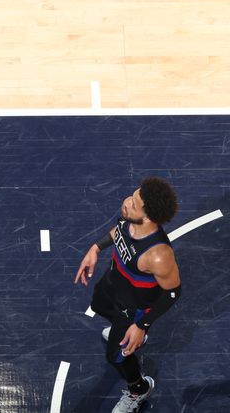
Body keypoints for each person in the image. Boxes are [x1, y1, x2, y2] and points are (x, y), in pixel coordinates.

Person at [74, 177, 181, 413]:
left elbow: (173, 292)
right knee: (99, 305)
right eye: (132, 196)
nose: (126, 203)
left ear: (148, 217)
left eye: (133, 203)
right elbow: (119, 231)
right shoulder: (132, 217)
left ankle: (138, 388)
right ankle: (126, 333)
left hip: (132, 309)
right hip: (113, 286)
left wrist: (141, 325)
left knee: (116, 356)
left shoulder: (158, 255)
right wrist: (96, 248)